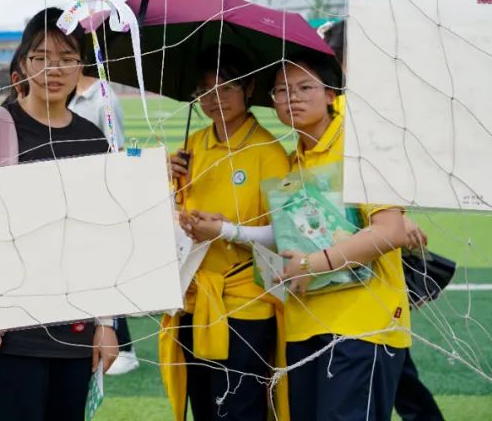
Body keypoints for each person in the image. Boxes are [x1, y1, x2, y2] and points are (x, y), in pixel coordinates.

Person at [0, 8, 117, 420]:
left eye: (66, 58)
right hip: (7, 332)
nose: (53, 69)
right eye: (41, 57)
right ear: (24, 63)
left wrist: (106, 323)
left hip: (74, 333)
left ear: (81, 66)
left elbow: (101, 239)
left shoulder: (92, 139)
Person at [271, 53, 411, 421]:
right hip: (304, 328)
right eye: (282, 91)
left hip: (362, 327)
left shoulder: (362, 144)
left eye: (305, 87)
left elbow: (390, 230)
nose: (292, 97)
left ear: (331, 94)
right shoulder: (291, 161)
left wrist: (313, 263)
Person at [319, 21, 444, 421]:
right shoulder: (336, 109)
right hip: (351, 266)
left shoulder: (365, 111)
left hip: (367, 269)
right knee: (393, 367)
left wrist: (396, 218)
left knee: (389, 364)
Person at [159, 47, 291, 420]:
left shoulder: (269, 152)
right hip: (194, 298)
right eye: (205, 90)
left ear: (249, 88)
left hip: (245, 303)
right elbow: (175, 217)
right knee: (203, 406)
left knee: (240, 409)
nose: (215, 98)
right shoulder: (192, 147)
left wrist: (225, 231)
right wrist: (166, 182)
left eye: (227, 87)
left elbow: (286, 234)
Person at [67, 61, 140, 376]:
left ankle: (125, 348)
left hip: (97, 195)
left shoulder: (102, 97)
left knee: (104, 272)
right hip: (69, 197)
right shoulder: (65, 95)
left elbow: (116, 150)